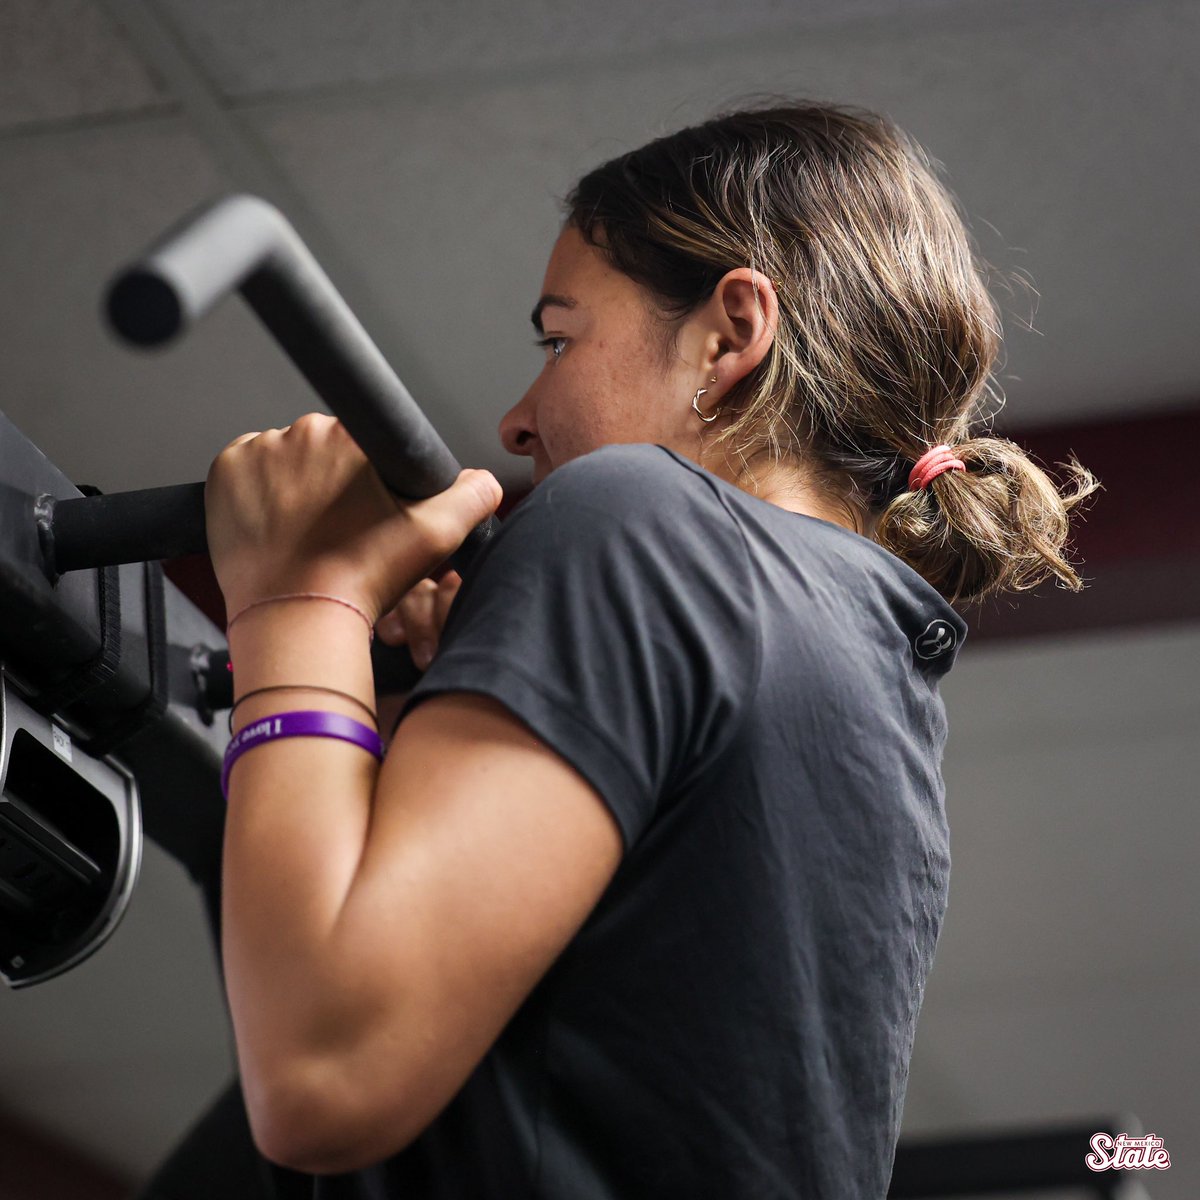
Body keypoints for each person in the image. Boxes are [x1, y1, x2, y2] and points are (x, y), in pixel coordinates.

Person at [203, 100, 1097, 1199]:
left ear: (729, 334)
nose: (520, 419)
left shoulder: (636, 516)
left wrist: (298, 606)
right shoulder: (873, 684)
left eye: (559, 337)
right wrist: (447, 700)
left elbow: (321, 1076)